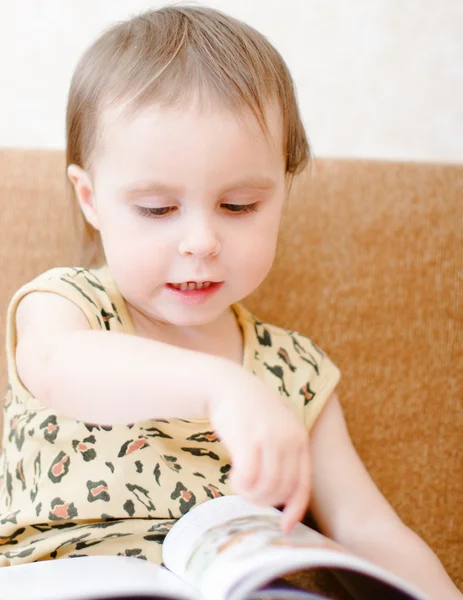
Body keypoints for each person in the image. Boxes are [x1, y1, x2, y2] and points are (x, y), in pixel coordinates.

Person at [0, 5, 460, 598]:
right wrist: (223, 388)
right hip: (57, 580)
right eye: (158, 210)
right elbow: (57, 368)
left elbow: (367, 527)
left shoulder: (292, 371)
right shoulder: (70, 305)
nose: (201, 243)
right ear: (91, 199)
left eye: (239, 205)